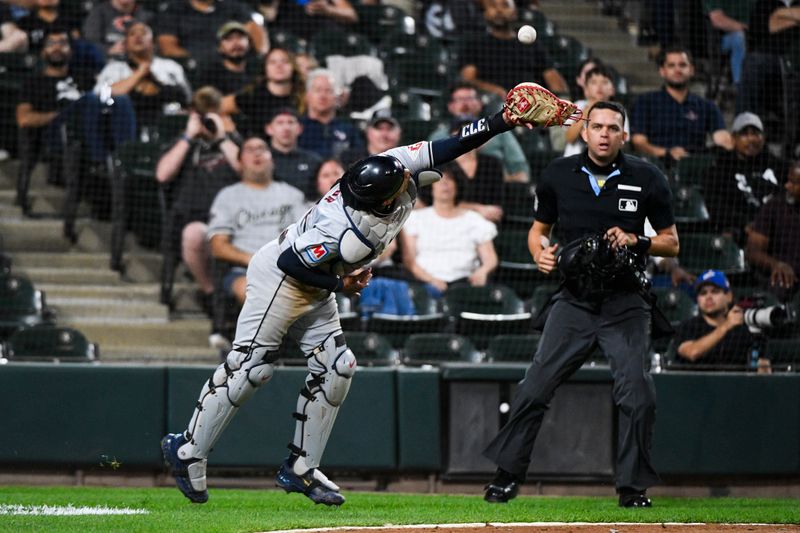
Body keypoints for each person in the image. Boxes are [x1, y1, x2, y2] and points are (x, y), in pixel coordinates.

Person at [161, 81, 558, 506]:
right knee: (252, 368)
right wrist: (342, 285)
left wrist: (502, 121)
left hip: (319, 281)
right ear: (379, 201)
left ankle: (301, 468)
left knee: (339, 366)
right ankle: (187, 450)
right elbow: (291, 264)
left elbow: (450, 145)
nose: (409, 174)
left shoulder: (386, 164)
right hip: (280, 278)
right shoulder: (341, 227)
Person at [482, 101, 679, 508]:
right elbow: (538, 232)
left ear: (623, 135)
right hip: (574, 301)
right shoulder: (557, 174)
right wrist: (540, 253)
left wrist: (637, 240)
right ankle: (506, 475)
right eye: (598, 126)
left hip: (626, 301)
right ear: (585, 132)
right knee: (534, 387)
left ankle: (631, 487)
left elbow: (672, 243)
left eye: (613, 128)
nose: (605, 134)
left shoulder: (647, 177)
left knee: (638, 392)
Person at [155, 86, 241, 309]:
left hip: (234, 219)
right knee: (193, 234)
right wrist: (188, 135)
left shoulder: (233, 142)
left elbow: (245, 170)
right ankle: (211, 293)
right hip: (192, 216)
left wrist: (222, 138)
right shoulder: (184, 143)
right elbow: (162, 175)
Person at [208, 136, 307, 305]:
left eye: (262, 149)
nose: (257, 154)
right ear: (239, 162)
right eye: (250, 150)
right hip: (245, 271)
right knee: (253, 293)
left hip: (290, 270)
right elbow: (218, 246)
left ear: (272, 160)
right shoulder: (228, 196)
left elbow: (308, 236)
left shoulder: (293, 195)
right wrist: (254, 259)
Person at [401, 163, 498, 297]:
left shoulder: (475, 220)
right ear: (430, 186)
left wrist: (483, 271)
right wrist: (431, 280)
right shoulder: (416, 219)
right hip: (425, 286)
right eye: (439, 180)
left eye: (450, 179)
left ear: (458, 185)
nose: (444, 184)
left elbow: (490, 258)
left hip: (465, 286)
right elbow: (409, 261)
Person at [630, 46, 732, 162]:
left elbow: (723, 141)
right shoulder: (645, 103)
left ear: (692, 70)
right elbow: (638, 142)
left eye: (682, 65)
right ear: (662, 71)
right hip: (656, 167)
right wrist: (667, 153)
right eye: (671, 65)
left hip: (695, 169)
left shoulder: (707, 106)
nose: (677, 70)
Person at [704, 112, 787, 244]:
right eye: (744, 134)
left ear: (763, 137)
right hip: (740, 229)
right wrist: (744, 223)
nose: (751, 139)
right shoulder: (721, 167)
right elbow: (715, 205)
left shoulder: (779, 166)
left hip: (778, 228)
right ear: (733, 138)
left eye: (756, 133)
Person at [459, 0, 568, 99]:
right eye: (493, 6)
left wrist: (562, 100)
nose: (499, 10)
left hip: (529, 104)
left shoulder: (532, 46)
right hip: (492, 106)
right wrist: (494, 91)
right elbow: (468, 80)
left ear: (515, 13)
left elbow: (554, 79)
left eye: (505, 5)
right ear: (485, 13)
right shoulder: (475, 44)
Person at [93, 22, 191, 130]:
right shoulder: (114, 68)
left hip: (167, 124)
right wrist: (140, 73)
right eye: (132, 34)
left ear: (153, 43)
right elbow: (100, 96)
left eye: (143, 33)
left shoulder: (171, 67)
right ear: (125, 44)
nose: (138, 37)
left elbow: (187, 99)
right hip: (124, 125)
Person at [428, 82, 530, 183]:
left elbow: (522, 172)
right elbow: (430, 173)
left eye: (470, 99)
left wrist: (496, 181)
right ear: (450, 106)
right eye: (459, 99)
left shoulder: (500, 133)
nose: (465, 104)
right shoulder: (439, 136)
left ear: (480, 104)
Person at [674, 269, 770, 372]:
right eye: (703, 293)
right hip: (694, 386)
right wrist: (726, 326)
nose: (708, 297)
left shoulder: (743, 330)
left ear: (729, 296)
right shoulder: (688, 326)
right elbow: (692, 352)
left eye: (715, 291)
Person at [222, 46, 305, 138]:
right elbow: (218, 106)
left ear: (293, 67)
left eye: (285, 61)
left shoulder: (304, 96)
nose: (279, 66)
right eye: (272, 62)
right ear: (265, 69)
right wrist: (230, 131)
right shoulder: (254, 95)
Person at [746, 162, 800, 299]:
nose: (787, 186)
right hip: (784, 277)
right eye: (788, 180)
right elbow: (752, 252)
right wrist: (776, 264)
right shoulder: (775, 207)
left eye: (794, 183)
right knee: (782, 285)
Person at [737, 0, 800, 117]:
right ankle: (745, 125)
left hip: (794, 59)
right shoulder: (764, 3)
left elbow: (773, 23)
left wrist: (779, 13)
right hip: (770, 58)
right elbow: (765, 26)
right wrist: (795, 19)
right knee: (752, 63)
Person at [156, 0, 267, 61]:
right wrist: (197, 61)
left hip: (233, 66)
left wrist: (257, 60)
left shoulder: (233, 7)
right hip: (194, 68)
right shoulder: (174, 9)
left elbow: (257, 35)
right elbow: (168, 48)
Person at [563, 65, 630, 158]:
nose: (599, 86)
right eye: (593, 82)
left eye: (605, 82)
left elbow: (622, 143)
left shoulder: (618, 110)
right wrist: (587, 111)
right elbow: (569, 137)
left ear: (613, 90)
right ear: (586, 90)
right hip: (574, 160)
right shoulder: (578, 105)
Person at [297, 68, 362, 159]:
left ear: (337, 97)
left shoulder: (349, 129)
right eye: (318, 90)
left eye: (328, 90)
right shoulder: (297, 128)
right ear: (307, 95)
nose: (322, 96)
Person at [267, 107, 322, 200]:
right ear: (269, 129)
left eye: (291, 122)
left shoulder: (313, 160)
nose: (286, 128)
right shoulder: (261, 161)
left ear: (300, 129)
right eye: (280, 123)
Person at [193, 21, 254, 97]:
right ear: (220, 47)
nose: (236, 43)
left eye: (240, 37)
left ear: (249, 43)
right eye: (229, 39)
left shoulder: (260, 70)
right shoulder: (210, 76)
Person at [81, 0, 153, 57]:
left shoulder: (147, 14)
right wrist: (109, 50)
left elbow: (156, 44)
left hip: (139, 60)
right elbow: (90, 43)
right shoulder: (98, 13)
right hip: (108, 63)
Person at [704, 0, 750, 87]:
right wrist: (747, 30)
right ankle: (739, 85)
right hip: (720, 41)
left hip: (754, 36)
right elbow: (717, 19)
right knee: (739, 38)